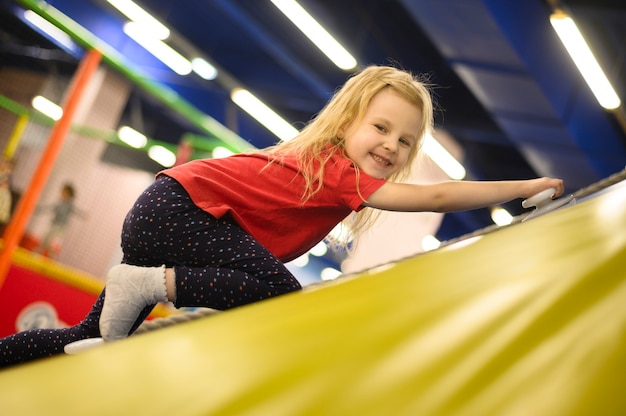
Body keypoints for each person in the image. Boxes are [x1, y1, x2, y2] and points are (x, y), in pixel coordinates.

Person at [0, 65, 564, 368]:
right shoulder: (337, 167)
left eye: (405, 140)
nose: (392, 146)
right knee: (278, 294)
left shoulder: (329, 175)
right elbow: (437, 199)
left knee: (89, 336)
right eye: (381, 128)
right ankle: (145, 282)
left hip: (169, 212)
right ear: (348, 123)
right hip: (179, 212)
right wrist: (527, 186)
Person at [36, 183, 85, 258]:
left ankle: (41, 251)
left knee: (48, 235)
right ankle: (50, 253)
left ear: (67, 193)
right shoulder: (58, 203)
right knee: (46, 238)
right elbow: (49, 208)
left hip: (62, 227)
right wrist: (38, 209)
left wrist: (83, 214)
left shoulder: (69, 204)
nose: (61, 193)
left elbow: (76, 210)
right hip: (55, 225)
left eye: (63, 191)